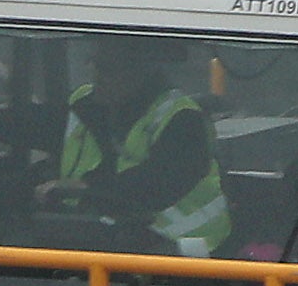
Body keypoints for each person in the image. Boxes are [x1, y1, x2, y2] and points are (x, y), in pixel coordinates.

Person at [46, 37, 230, 260]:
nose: (95, 76)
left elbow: (157, 184)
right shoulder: (87, 103)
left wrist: (84, 187)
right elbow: (42, 125)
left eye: (106, 69)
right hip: (110, 242)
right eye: (93, 64)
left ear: (140, 72)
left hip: (187, 254)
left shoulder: (182, 119)